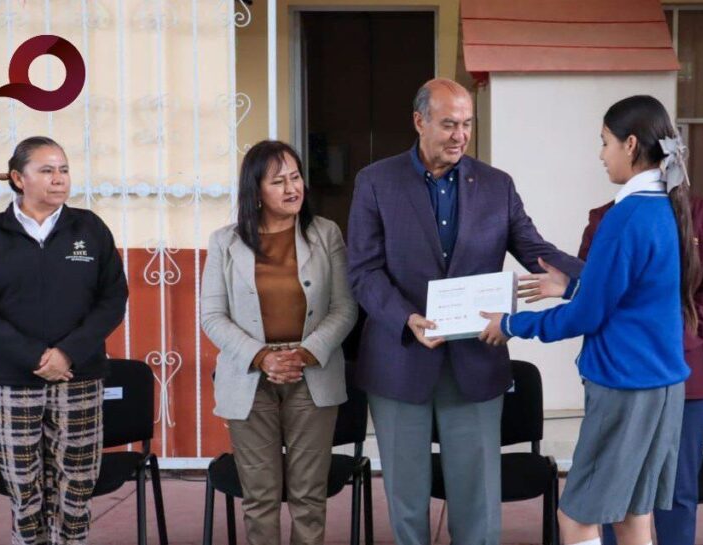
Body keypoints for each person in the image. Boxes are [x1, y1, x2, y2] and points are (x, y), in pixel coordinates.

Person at [346, 78, 584, 544]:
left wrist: (595, 280)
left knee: (478, 503)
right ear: (419, 122)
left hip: (475, 359)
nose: (460, 135)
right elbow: (363, 271)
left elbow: (536, 249)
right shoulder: (375, 182)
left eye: (467, 124)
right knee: (407, 501)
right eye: (449, 124)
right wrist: (407, 319)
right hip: (399, 358)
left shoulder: (497, 186)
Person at [481, 95, 698, 545]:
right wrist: (573, 287)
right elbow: (632, 299)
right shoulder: (666, 209)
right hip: (662, 386)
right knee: (633, 518)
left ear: (631, 144)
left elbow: (587, 316)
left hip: (624, 386)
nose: (601, 155)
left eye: (605, 143)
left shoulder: (626, 216)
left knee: (576, 517)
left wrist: (512, 325)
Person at [0, 136, 128, 545]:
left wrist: (67, 353)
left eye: (64, 169)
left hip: (78, 375)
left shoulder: (89, 228)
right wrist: (36, 356)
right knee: (22, 480)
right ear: (19, 178)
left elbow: (112, 299)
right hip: (14, 378)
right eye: (47, 170)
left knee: (78, 478)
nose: (59, 180)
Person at [201, 140, 357, 545]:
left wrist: (304, 353)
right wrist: (262, 357)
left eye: (296, 177)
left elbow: (345, 307)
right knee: (260, 497)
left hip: (312, 374)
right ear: (256, 191)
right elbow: (212, 316)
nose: (292, 188)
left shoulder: (325, 233)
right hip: (249, 378)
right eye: (278, 181)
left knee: (308, 495)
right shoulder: (225, 242)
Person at [580, 195, 703, 545]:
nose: (604, 156)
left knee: (677, 490)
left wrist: (663, 339)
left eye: (608, 144)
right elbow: (589, 290)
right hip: (617, 373)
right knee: (608, 486)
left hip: (686, 372)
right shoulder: (605, 216)